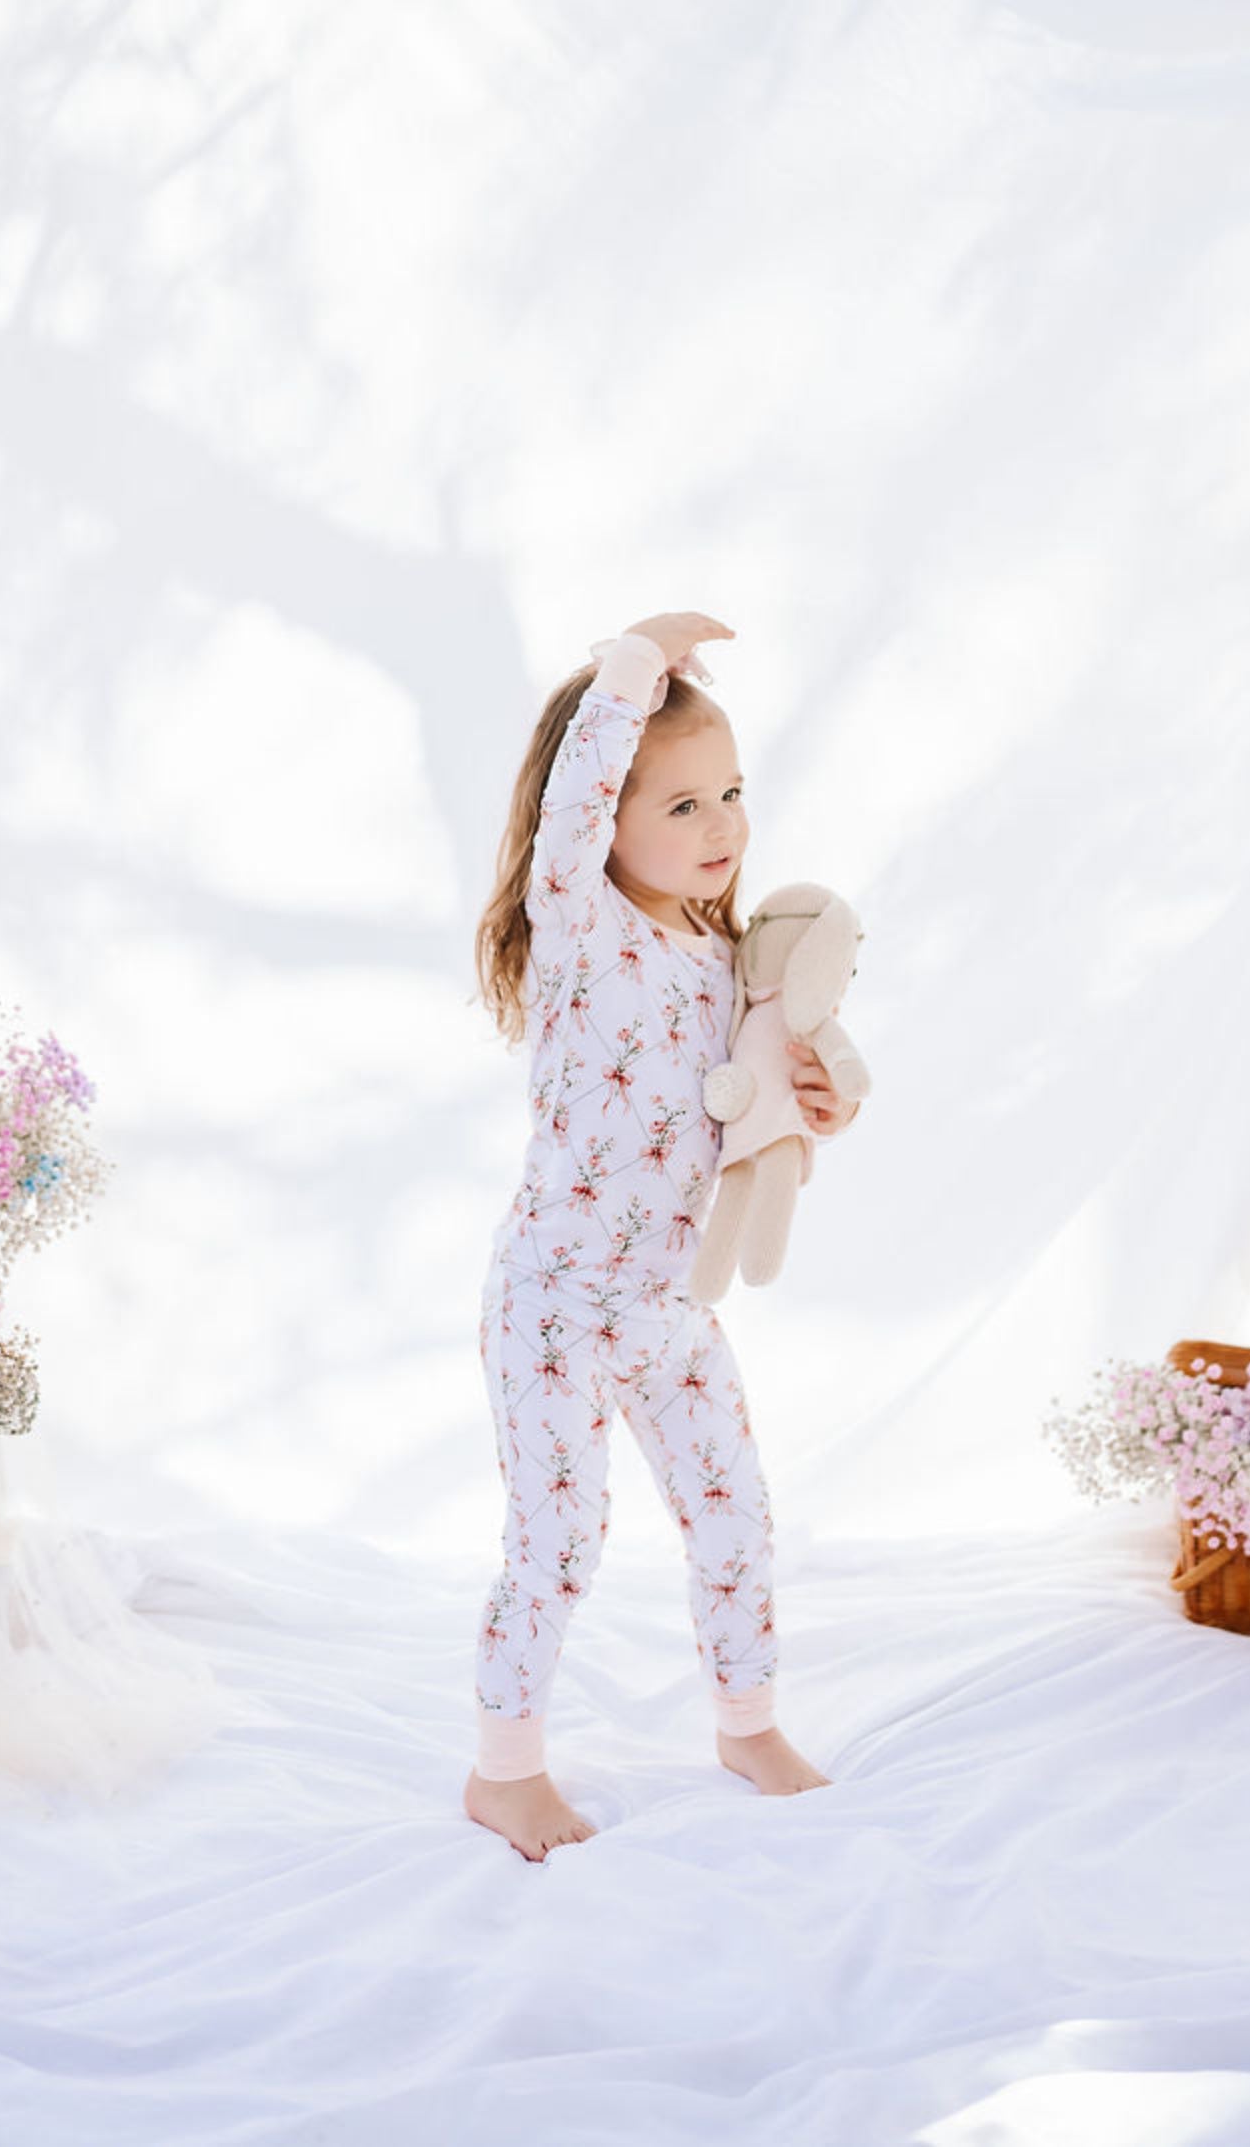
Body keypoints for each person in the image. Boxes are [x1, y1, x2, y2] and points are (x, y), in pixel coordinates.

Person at [464, 610, 861, 1859]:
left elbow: (761, 1106)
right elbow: (577, 799)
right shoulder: (583, 929)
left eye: (730, 794)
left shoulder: (730, 960)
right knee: (561, 1535)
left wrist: (821, 1100)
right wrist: (633, 664)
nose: (723, 827)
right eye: (681, 804)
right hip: (554, 1302)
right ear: (605, 819)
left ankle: (745, 1721)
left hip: (669, 1307)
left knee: (734, 1513)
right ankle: (503, 1766)